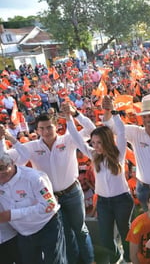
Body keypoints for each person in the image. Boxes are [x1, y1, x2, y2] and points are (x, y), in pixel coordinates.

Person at [0, 103, 96, 264]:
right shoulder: (31, 147)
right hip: (50, 199)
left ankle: (89, 260)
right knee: (65, 234)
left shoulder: (69, 139)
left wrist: (76, 113)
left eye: (49, 127)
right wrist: (4, 137)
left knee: (80, 230)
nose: (45, 132)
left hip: (72, 193)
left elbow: (91, 130)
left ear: (57, 126)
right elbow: (6, 158)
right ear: (36, 130)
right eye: (41, 128)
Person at [63, 97, 134, 263]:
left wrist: (114, 113)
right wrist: (69, 118)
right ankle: (116, 258)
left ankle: (130, 259)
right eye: (93, 142)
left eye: (99, 142)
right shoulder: (93, 156)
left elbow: (122, 132)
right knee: (105, 237)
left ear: (107, 141)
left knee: (125, 233)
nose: (95, 146)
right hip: (103, 202)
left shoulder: (119, 154)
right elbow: (76, 138)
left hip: (122, 200)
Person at [0, 152, 66, 264]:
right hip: (23, 234)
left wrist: (12, 214)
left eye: (1, 168)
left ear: (11, 163)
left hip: (47, 227)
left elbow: (50, 205)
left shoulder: (35, 178)